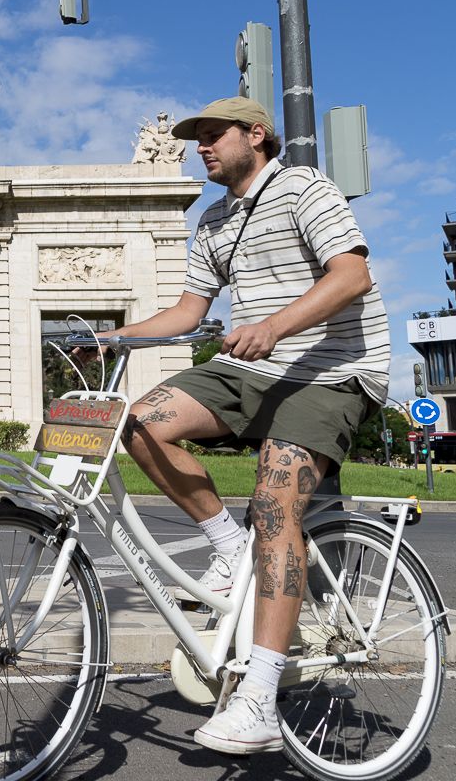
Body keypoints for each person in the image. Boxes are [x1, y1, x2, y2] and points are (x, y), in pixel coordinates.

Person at [87, 97, 389, 756]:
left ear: (256, 135)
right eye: (196, 138)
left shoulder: (304, 188)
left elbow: (353, 275)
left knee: (275, 505)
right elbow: (188, 311)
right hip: (252, 368)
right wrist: (115, 337)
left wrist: (275, 325)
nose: (201, 146)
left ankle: (258, 698)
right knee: (138, 423)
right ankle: (228, 546)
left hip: (331, 371)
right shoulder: (214, 220)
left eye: (212, 134)